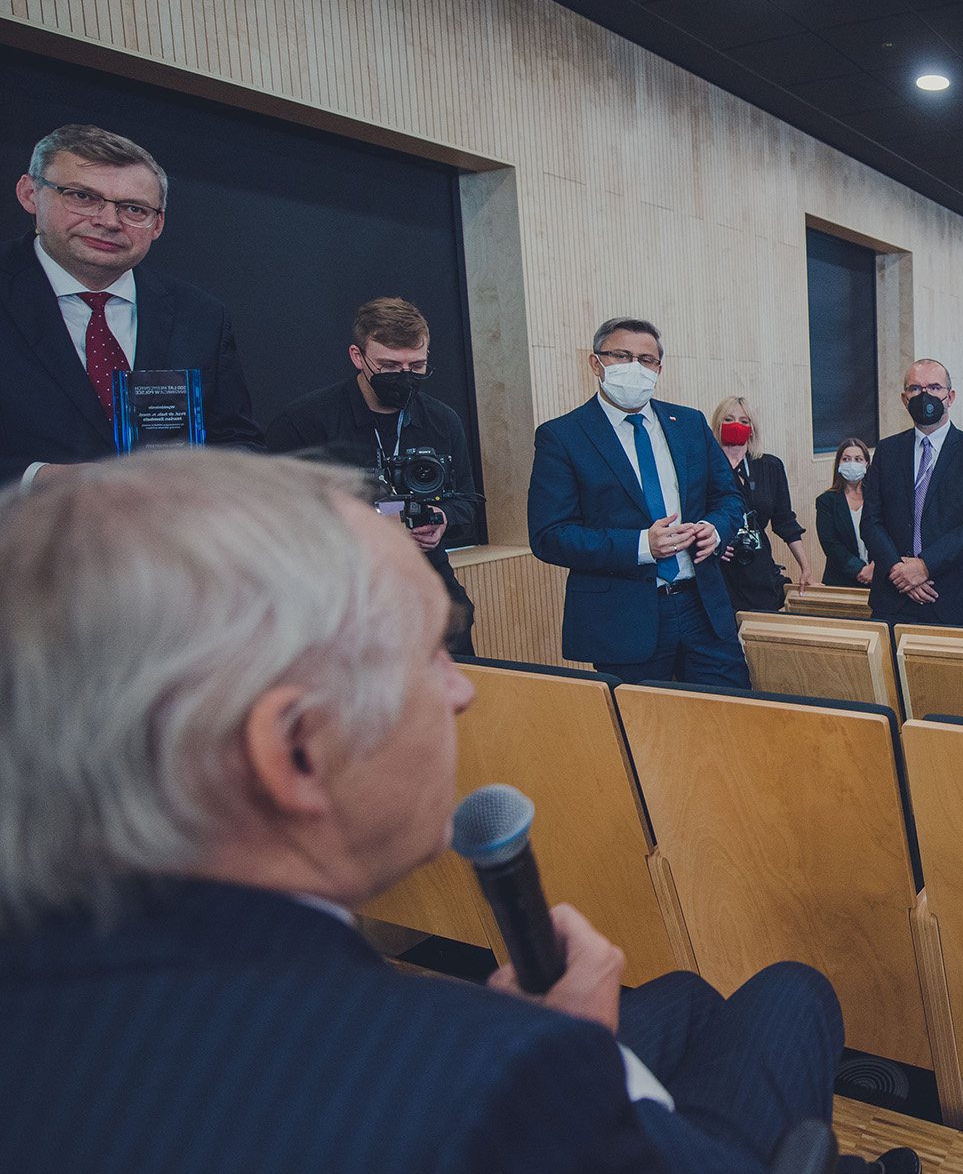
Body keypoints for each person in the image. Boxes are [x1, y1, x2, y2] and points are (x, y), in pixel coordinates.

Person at [0, 449, 857, 1174]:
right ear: (297, 750)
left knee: (688, 999)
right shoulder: (493, 1085)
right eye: (432, 653)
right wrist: (587, 1071)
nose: (462, 689)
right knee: (793, 992)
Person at [3, 123, 260, 483]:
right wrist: (40, 479)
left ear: (158, 224)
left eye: (134, 209)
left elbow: (238, 442)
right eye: (82, 196)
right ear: (30, 194)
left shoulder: (200, 315)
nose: (108, 221)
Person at [527, 318, 749, 688]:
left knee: (730, 711)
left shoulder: (689, 424)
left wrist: (715, 528)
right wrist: (642, 545)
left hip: (703, 608)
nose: (635, 367)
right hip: (623, 618)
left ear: (658, 369)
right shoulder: (562, 436)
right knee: (641, 720)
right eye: (621, 356)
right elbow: (549, 536)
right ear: (596, 363)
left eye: (646, 360)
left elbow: (728, 496)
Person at [266, 297, 478, 657]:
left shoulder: (442, 421)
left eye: (417, 365)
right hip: (341, 595)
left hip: (427, 585)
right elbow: (278, 521)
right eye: (390, 365)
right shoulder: (304, 422)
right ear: (357, 356)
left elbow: (466, 503)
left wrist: (442, 519)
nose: (405, 375)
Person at [861, 360, 963, 628]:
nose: (924, 395)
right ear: (904, 399)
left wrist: (924, 566)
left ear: (951, 396)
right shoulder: (887, 451)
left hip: (960, 599)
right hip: (894, 597)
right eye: (915, 388)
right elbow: (871, 521)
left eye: (934, 387)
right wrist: (899, 571)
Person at [712, 396, 813, 612]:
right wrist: (712, 545)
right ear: (718, 424)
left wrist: (805, 567)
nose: (736, 425)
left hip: (757, 566)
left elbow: (785, 521)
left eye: (744, 421)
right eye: (728, 419)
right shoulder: (705, 466)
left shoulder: (769, 466)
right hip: (718, 568)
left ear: (752, 428)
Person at [815, 437, 875, 589]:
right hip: (841, 580)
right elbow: (830, 543)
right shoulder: (826, 501)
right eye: (846, 459)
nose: (852, 464)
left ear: (867, 464)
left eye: (858, 459)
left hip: (878, 577)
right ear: (839, 464)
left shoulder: (877, 498)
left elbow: (890, 534)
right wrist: (860, 569)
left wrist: (875, 566)